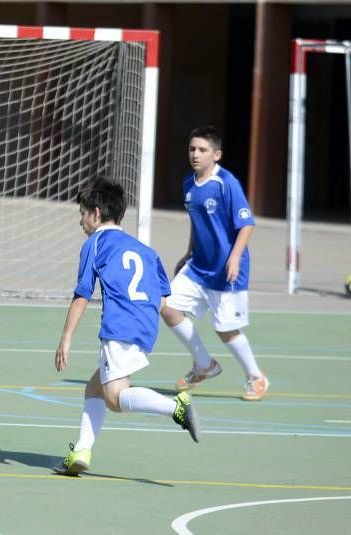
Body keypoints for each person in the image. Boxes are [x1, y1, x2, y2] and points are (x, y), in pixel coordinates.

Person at [53, 178, 200, 476]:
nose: (80, 220)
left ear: (95, 213)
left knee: (115, 398)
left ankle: (176, 408)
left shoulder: (94, 244)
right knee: (94, 388)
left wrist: (65, 339)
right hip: (145, 327)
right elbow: (162, 300)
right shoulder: (145, 250)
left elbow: (82, 296)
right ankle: (81, 451)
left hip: (119, 327)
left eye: (82, 213)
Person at [161, 126, 268, 401]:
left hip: (227, 271)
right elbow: (198, 225)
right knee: (168, 307)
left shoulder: (226, 183)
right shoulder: (188, 184)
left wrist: (234, 258)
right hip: (198, 266)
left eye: (202, 150)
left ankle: (256, 377)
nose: (195, 154)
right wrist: (188, 253)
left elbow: (246, 225)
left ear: (216, 154)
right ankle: (204, 364)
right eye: (192, 149)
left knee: (225, 330)